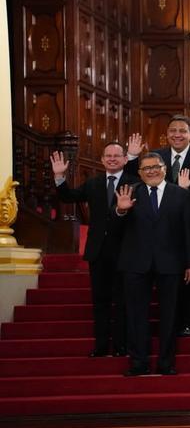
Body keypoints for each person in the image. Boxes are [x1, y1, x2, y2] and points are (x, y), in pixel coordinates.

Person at [125, 115, 190, 338]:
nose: (177, 134)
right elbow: (134, 180)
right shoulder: (156, 156)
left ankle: (186, 321)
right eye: (173, 130)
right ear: (167, 134)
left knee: (188, 278)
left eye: (182, 131)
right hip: (158, 230)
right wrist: (132, 157)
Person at [114, 152, 190, 376]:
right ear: (139, 173)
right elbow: (114, 230)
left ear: (165, 168)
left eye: (155, 167)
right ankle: (138, 363)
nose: (151, 171)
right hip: (135, 263)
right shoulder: (129, 193)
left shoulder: (181, 194)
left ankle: (166, 363)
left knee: (169, 316)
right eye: (146, 168)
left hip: (170, 263)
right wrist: (121, 210)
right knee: (135, 315)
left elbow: (188, 231)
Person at [51, 143, 135, 358]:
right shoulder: (93, 183)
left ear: (125, 159)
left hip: (125, 251)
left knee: (123, 302)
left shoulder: (134, 182)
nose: (113, 159)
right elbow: (68, 196)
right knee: (100, 301)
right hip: (97, 252)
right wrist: (60, 177)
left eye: (117, 155)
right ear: (102, 159)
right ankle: (100, 346)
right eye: (108, 155)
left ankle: (120, 346)